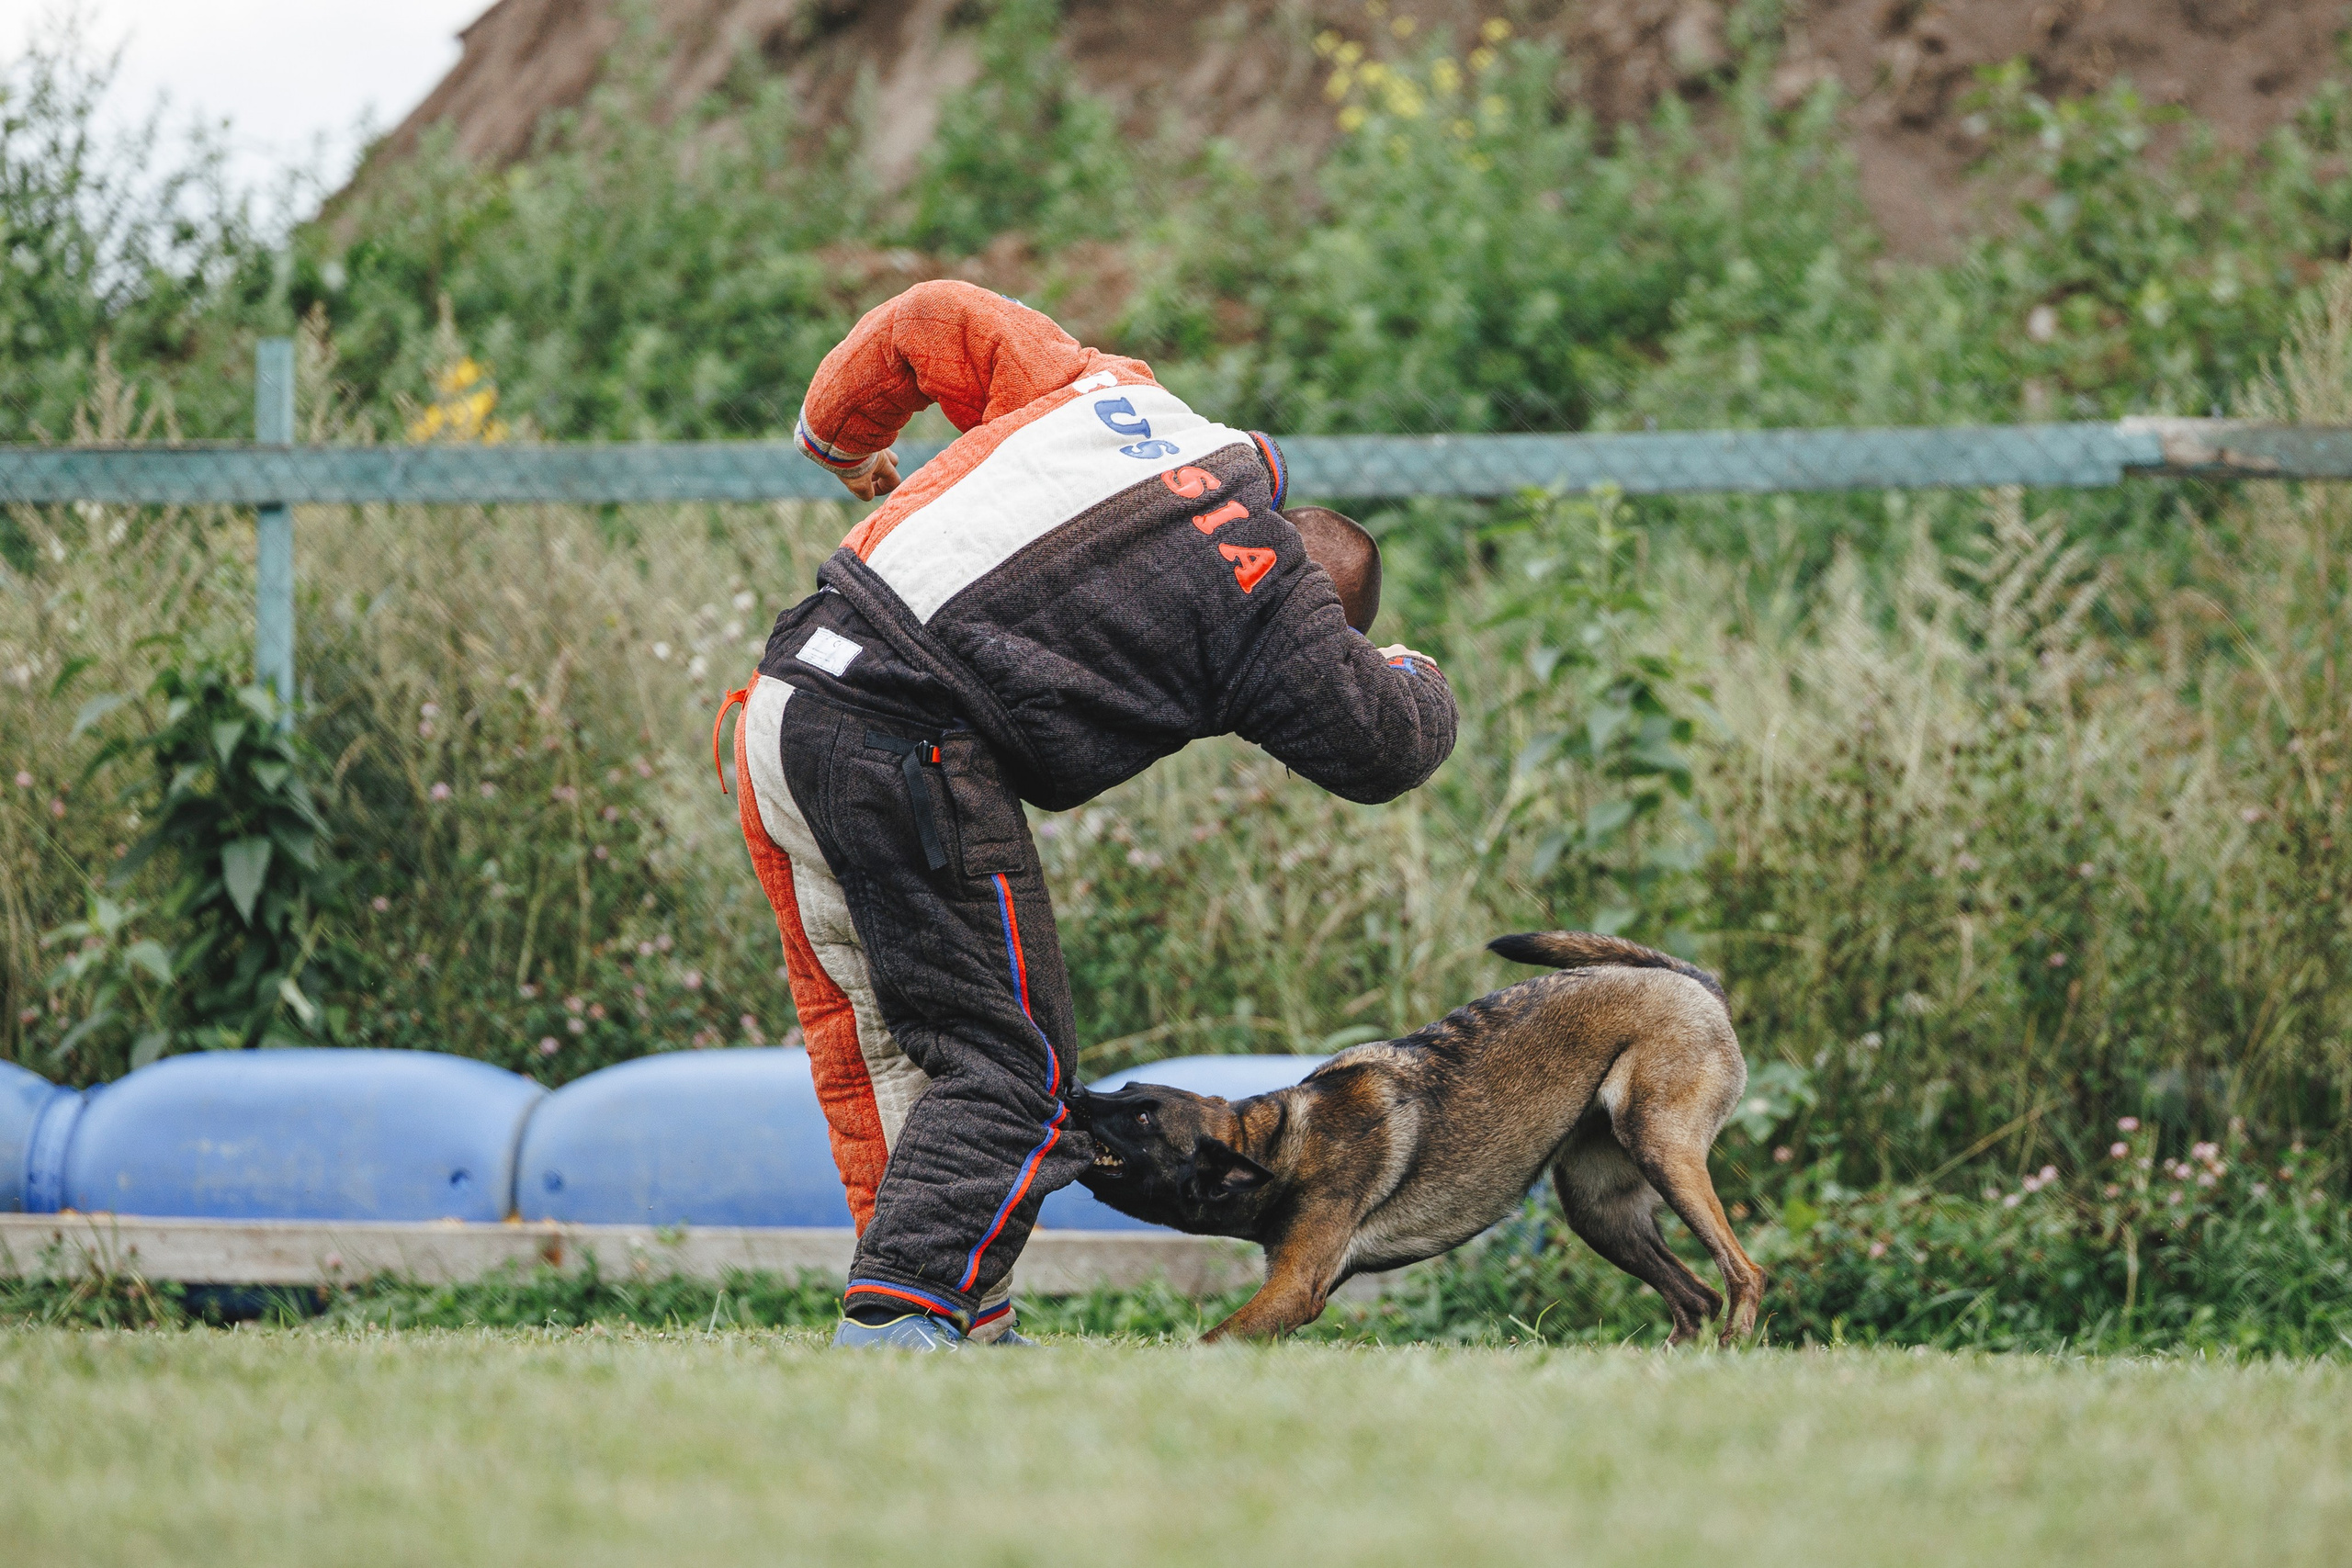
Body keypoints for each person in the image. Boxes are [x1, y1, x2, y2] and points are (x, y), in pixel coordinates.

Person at [718, 279, 1456, 1348]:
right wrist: (1403, 664)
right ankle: (898, 1326)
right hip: (904, 742)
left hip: (785, 704)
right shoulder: (1274, 604)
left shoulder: (1113, 393)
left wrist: (837, 439)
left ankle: (959, 1316)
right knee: (1011, 1065)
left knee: (889, 1050)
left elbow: (930, 317)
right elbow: (1386, 747)